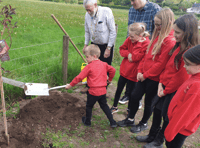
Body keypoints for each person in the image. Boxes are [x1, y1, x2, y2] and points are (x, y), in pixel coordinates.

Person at [136, 14, 199, 148]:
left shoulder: (189, 53)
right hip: (163, 86)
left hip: (172, 90)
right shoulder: (177, 45)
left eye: (177, 32)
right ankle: (152, 136)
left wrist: (165, 90)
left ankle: (159, 141)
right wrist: (160, 83)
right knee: (157, 111)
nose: (174, 34)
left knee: (167, 116)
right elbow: (167, 66)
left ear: (188, 33)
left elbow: (180, 77)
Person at [117, 8, 176, 131]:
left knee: (149, 101)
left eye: (158, 24)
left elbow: (160, 64)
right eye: (155, 24)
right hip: (143, 75)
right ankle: (130, 119)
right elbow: (146, 55)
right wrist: (139, 71)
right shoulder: (157, 36)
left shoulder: (169, 41)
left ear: (167, 23)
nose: (156, 27)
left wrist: (145, 75)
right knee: (134, 96)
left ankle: (143, 123)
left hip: (153, 78)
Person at [119, 0, 161, 105]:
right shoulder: (131, 10)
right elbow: (129, 32)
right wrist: (127, 49)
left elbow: (159, 32)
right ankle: (127, 95)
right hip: (133, 49)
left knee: (140, 75)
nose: (131, 3)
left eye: (133, 0)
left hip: (147, 50)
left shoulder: (155, 9)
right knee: (130, 72)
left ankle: (139, 100)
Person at [65, 44, 117, 128]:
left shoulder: (89, 67)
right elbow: (113, 70)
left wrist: (70, 85)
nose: (86, 59)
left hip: (93, 92)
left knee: (89, 106)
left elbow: (79, 77)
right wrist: (110, 79)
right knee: (104, 106)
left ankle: (87, 122)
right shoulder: (104, 64)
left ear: (94, 56)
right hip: (103, 91)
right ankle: (113, 122)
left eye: (87, 57)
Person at [164, 45, 200, 148]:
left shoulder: (197, 87)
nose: (184, 67)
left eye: (188, 64)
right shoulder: (194, 77)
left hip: (179, 130)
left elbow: (185, 114)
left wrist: (170, 132)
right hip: (176, 126)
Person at [110, 22, 150, 114]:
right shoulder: (129, 40)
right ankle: (114, 106)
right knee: (119, 89)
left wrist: (138, 45)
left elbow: (137, 57)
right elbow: (122, 49)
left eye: (132, 36)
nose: (130, 38)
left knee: (132, 93)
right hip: (125, 70)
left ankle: (129, 109)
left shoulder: (146, 43)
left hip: (134, 73)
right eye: (129, 36)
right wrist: (128, 54)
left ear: (140, 35)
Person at [81, 0, 116, 93]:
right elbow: (87, 31)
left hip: (105, 45)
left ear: (95, 5)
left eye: (89, 10)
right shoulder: (87, 15)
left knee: (105, 68)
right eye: (86, 10)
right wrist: (85, 45)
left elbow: (113, 31)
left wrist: (109, 48)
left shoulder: (106, 12)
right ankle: (89, 86)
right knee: (91, 67)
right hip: (94, 44)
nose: (88, 12)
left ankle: (103, 88)